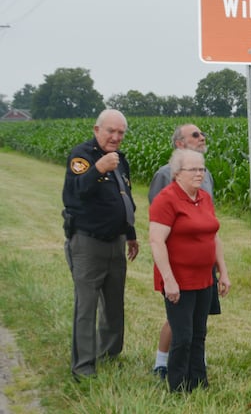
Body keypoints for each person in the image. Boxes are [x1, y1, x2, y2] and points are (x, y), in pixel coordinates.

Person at [62, 108, 139, 381]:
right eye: (111, 131)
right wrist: (98, 169)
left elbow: (123, 197)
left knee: (114, 305)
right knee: (86, 306)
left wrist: (130, 233)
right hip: (88, 242)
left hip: (116, 242)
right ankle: (83, 368)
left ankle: (110, 355)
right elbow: (75, 191)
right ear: (97, 130)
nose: (116, 137)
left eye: (121, 132)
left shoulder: (120, 160)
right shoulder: (82, 156)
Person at [148, 124, 227, 380]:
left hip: (204, 274)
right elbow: (159, 234)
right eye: (193, 170)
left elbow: (212, 232)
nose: (199, 173)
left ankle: (197, 377)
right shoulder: (166, 184)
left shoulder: (205, 188)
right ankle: (169, 371)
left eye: (201, 169)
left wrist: (221, 270)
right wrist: (168, 277)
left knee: (197, 329)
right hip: (179, 273)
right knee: (181, 329)